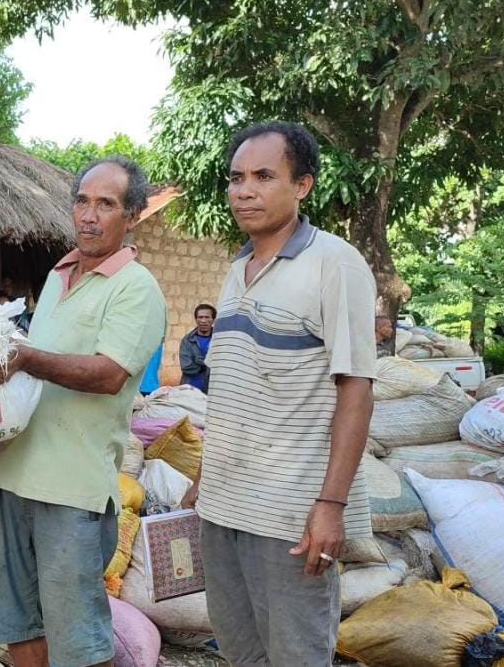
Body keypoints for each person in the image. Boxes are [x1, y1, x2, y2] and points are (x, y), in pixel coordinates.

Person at [181, 121, 376, 666]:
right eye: (236, 177)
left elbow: (357, 389)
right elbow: (232, 388)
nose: (244, 190)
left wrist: (330, 506)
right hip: (224, 507)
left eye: (264, 176)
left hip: (290, 516)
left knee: (296, 655)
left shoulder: (334, 264)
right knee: (241, 653)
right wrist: (203, 478)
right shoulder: (236, 270)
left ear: (303, 186)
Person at [0, 156, 167, 667]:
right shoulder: (58, 272)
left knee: (78, 641)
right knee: (19, 623)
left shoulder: (136, 287)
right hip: (12, 473)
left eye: (106, 204)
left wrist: (25, 359)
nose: (89, 214)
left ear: (131, 215)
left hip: (72, 488)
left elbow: (109, 375)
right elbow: (33, 369)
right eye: (82, 201)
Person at [178, 303, 216, 392]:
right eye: (200, 317)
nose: (203, 321)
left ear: (213, 319)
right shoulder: (187, 340)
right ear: (196, 319)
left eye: (207, 317)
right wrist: (207, 363)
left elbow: (220, 367)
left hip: (212, 391)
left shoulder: (218, 340)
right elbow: (186, 367)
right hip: (189, 389)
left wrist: (198, 361)